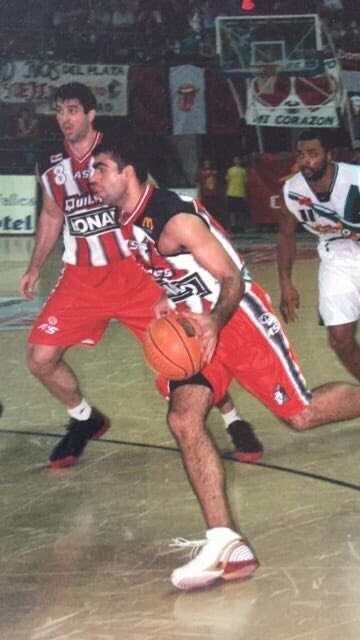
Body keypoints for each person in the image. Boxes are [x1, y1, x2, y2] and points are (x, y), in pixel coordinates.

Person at [90, 138, 360, 591]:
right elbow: (176, 270)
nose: (92, 178)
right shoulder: (127, 217)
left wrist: (215, 320)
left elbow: (232, 274)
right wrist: (167, 298)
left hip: (237, 320)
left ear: (128, 171)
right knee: (183, 419)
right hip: (196, 326)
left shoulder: (173, 218)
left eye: (100, 168)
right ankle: (226, 544)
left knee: (300, 415)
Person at [20, 82, 262, 470]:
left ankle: (233, 420)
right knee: (40, 358)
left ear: (91, 113)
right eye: (60, 111)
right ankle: (85, 418)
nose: (65, 118)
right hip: (81, 278)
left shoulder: (118, 152)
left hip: (135, 273)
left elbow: (154, 203)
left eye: (73, 110)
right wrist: (35, 265)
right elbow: (51, 215)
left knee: (184, 352)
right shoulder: (50, 164)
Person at [278, 128, 360, 382]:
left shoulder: (355, 179)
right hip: (337, 257)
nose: (306, 161)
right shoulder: (292, 190)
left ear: (329, 154)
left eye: (313, 153)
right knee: (339, 339)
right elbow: (286, 236)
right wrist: (285, 283)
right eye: (301, 154)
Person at [225, 155, 249, 232]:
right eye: (235, 160)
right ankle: (233, 226)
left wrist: (245, 193)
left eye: (238, 160)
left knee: (241, 212)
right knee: (232, 211)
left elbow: (245, 182)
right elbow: (227, 181)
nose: (237, 161)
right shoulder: (230, 170)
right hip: (231, 193)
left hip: (241, 193)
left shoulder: (243, 170)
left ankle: (241, 226)